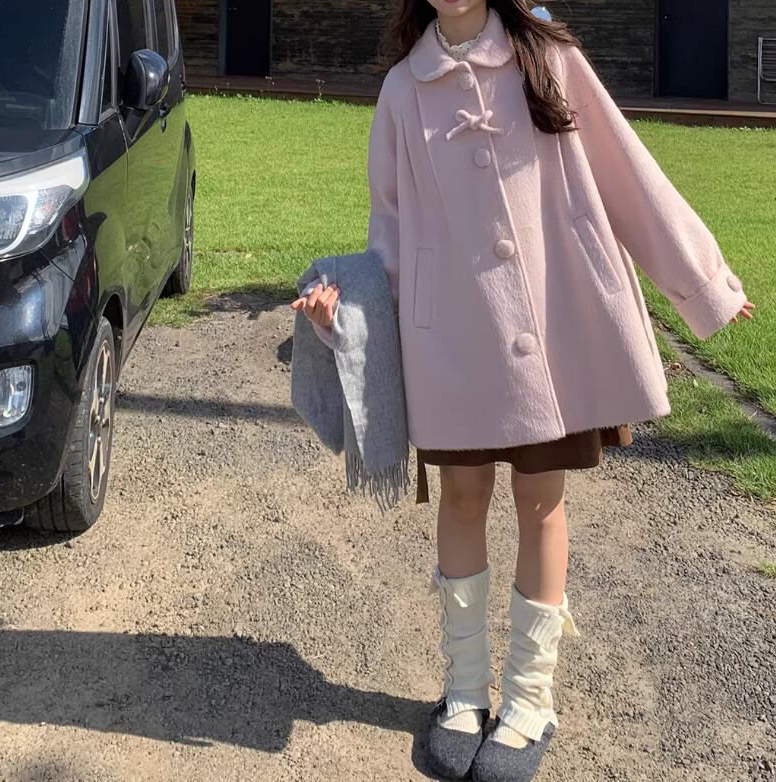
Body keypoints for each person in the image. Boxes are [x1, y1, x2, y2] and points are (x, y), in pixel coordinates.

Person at [291, 2, 755, 780]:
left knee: (541, 502)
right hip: (449, 337)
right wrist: (350, 307)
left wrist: (702, 278)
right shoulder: (405, 89)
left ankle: (531, 699)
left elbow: (627, 174)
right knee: (462, 498)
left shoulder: (548, 57)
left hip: (552, 320)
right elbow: (389, 232)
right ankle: (464, 692)